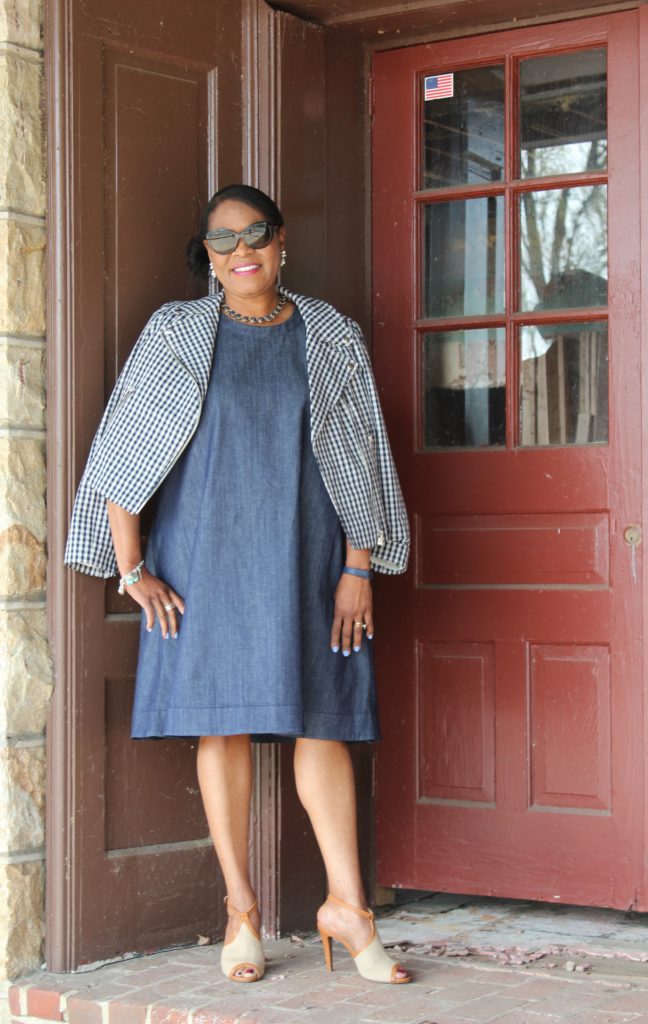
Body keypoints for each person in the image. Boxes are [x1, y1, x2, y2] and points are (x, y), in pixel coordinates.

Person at [65, 184, 411, 985]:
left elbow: (359, 454)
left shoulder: (330, 332)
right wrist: (133, 567)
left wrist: (358, 569)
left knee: (319, 722)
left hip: (314, 556)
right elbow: (126, 454)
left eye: (254, 232)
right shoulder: (177, 332)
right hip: (207, 558)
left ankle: (346, 909)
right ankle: (241, 912)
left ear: (281, 240)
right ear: (208, 257)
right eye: (222, 240)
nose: (241, 249)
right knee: (219, 727)